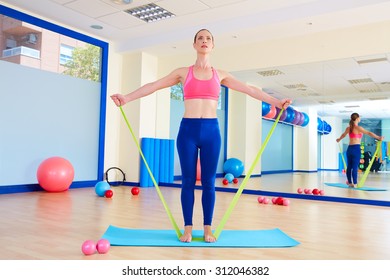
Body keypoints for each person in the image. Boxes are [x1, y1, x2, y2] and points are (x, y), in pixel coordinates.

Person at [111, 29, 292, 243]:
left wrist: (276, 102)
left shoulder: (221, 74)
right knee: (188, 181)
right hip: (187, 131)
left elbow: (250, 90)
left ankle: (208, 228)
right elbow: (154, 86)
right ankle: (187, 228)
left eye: (208, 39)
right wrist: (127, 97)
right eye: (200, 38)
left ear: (213, 46)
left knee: (208, 182)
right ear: (194, 45)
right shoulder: (182, 72)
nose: (204, 41)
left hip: (211, 132)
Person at [336, 112, 384, 187]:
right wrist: (378, 137)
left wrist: (339, 139)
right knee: (355, 167)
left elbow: (343, 135)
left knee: (349, 167)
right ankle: (355, 183)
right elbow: (369, 133)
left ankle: (350, 182)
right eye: (359, 117)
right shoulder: (358, 128)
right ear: (357, 118)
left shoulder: (348, 128)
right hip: (356, 148)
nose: (360, 119)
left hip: (349, 149)